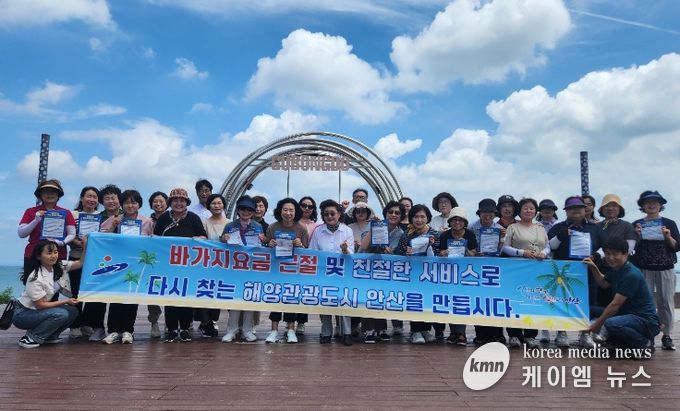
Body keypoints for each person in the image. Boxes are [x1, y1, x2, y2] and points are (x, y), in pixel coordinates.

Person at [548, 195, 605, 348]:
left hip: (588, 271)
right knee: (562, 301)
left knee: (588, 302)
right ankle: (561, 333)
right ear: (566, 211)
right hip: (563, 273)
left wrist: (597, 255)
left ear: (585, 210)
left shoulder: (594, 227)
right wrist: (560, 236)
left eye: (579, 208)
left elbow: (605, 246)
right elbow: (550, 247)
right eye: (571, 208)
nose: (575, 211)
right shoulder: (558, 227)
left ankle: (585, 333)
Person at [584, 238, 660, 350]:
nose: (610, 258)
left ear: (625, 254)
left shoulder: (631, 274)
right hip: (626, 314)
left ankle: (645, 343)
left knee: (611, 323)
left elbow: (615, 305)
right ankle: (619, 342)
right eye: (607, 254)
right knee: (586, 310)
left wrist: (597, 325)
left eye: (615, 254)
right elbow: (604, 283)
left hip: (645, 321)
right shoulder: (616, 269)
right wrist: (593, 267)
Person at [100, 189, 154, 344]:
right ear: (122, 204)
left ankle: (128, 331)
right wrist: (113, 226)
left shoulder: (147, 222)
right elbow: (101, 238)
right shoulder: (115, 219)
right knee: (115, 296)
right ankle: (113, 331)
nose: (130, 206)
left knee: (132, 296)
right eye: (127, 203)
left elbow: (152, 241)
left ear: (139, 204)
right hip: (117, 263)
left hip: (136, 264)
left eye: (134, 202)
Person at [155, 188, 208, 342]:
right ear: (170, 203)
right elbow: (156, 237)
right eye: (175, 201)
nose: (179, 203)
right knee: (170, 295)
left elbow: (203, 235)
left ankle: (185, 328)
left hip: (188, 265)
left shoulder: (193, 218)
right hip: (169, 265)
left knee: (186, 296)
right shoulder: (164, 218)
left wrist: (200, 238)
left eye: (182, 201)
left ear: (187, 203)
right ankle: (171, 329)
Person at [13, 240, 84, 348]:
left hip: (37, 311)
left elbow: (80, 263)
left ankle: (49, 336)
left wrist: (86, 246)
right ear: (39, 256)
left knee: (72, 311)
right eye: (49, 253)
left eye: (55, 252)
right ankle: (31, 338)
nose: (53, 256)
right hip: (23, 314)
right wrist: (65, 301)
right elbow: (40, 305)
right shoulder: (35, 277)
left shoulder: (59, 266)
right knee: (61, 313)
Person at [632, 190, 679, 350]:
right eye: (647, 202)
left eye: (655, 202)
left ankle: (667, 335)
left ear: (660, 205)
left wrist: (668, 236)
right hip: (644, 268)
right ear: (643, 206)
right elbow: (632, 248)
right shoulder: (637, 224)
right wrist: (637, 236)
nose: (651, 205)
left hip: (666, 267)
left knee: (666, 301)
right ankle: (648, 335)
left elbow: (676, 246)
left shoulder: (669, 223)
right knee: (646, 303)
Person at [501, 198, 549, 348]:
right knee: (515, 301)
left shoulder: (540, 228)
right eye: (525, 208)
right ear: (519, 211)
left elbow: (547, 246)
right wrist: (521, 252)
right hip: (517, 270)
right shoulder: (513, 227)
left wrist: (544, 253)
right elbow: (505, 247)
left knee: (533, 300)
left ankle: (530, 335)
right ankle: (514, 335)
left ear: (536, 211)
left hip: (536, 271)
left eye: (531, 208)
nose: (529, 211)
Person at [264, 198, 309, 344]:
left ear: (296, 212)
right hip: (276, 270)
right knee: (276, 298)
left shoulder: (301, 228)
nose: (288, 213)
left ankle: (291, 330)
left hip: (294, 271)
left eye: (291, 210)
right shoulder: (272, 227)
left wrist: (300, 245)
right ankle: (273, 331)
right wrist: (270, 244)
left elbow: (308, 251)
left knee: (291, 299)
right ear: (280, 211)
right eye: (285, 210)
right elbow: (265, 247)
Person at [309, 199, 355, 345]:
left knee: (344, 301)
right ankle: (326, 332)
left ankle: (346, 333)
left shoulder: (347, 231)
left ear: (339, 214)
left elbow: (352, 255)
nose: (329, 216)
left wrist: (345, 250)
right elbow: (312, 252)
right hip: (323, 274)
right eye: (326, 214)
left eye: (332, 213)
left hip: (342, 273)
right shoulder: (318, 231)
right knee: (325, 302)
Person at [81, 183, 123, 342]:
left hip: (122, 261)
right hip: (100, 260)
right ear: (102, 201)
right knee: (98, 294)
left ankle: (117, 329)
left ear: (119, 200)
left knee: (118, 295)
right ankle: (97, 327)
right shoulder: (96, 217)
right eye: (107, 198)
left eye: (114, 198)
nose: (111, 201)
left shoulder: (128, 216)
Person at [359, 200, 406, 342]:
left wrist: (390, 252)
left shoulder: (401, 233)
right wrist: (374, 228)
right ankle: (368, 330)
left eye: (397, 213)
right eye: (390, 212)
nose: (393, 215)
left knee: (381, 297)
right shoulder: (374, 225)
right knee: (368, 297)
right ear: (385, 213)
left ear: (401, 216)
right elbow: (364, 246)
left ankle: (381, 329)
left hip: (386, 270)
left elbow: (397, 254)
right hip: (368, 267)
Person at [220, 195, 264, 343]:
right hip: (234, 268)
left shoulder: (258, 227)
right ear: (238, 210)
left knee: (249, 299)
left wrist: (263, 240)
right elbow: (221, 244)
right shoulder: (230, 226)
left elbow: (262, 247)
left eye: (249, 210)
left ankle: (247, 330)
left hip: (251, 268)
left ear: (253, 212)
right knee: (235, 299)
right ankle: (231, 330)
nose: (246, 212)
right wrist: (223, 238)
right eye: (243, 209)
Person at [394, 204, 440, 344]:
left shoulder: (435, 234)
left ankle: (425, 329)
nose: (419, 220)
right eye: (415, 217)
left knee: (427, 301)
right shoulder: (406, 234)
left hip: (429, 275)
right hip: (412, 275)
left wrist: (432, 246)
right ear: (411, 218)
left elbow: (441, 254)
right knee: (415, 301)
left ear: (427, 218)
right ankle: (415, 331)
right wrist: (406, 254)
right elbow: (398, 254)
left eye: (422, 217)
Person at [434, 207, 477, 346]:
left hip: (465, 273)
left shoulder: (470, 234)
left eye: (460, 220)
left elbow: (474, 254)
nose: (457, 222)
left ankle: (461, 333)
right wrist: (443, 253)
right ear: (450, 221)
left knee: (461, 302)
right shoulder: (445, 235)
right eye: (454, 220)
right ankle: (453, 333)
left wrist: (465, 249)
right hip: (449, 273)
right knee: (451, 301)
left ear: (465, 222)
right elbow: (440, 253)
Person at [18, 179, 76, 279]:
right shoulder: (31, 211)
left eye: (53, 191)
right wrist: (35, 220)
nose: (49, 194)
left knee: (56, 285)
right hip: (33, 254)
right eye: (46, 191)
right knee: (32, 283)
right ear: (40, 195)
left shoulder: (66, 212)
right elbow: (21, 233)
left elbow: (72, 233)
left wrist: (61, 243)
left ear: (58, 195)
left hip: (57, 255)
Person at [468, 198, 505, 344]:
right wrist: (474, 253)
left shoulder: (499, 229)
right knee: (479, 301)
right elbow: (466, 248)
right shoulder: (471, 228)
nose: (487, 215)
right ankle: (481, 334)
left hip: (494, 270)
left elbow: (502, 251)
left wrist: (502, 238)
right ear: (479, 213)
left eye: (491, 212)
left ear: (495, 214)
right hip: (476, 269)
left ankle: (498, 334)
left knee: (495, 301)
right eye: (484, 212)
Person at [67, 186, 99, 339]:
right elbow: (67, 235)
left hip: (95, 260)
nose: (91, 199)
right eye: (89, 196)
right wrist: (80, 243)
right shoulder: (73, 214)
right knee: (76, 292)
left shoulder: (101, 216)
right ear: (81, 198)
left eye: (94, 197)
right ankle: (74, 325)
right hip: (76, 256)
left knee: (93, 292)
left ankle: (87, 323)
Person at [146, 190, 168, 337]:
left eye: (161, 201)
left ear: (167, 204)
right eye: (155, 201)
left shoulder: (174, 219)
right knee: (152, 292)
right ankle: (154, 322)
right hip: (152, 261)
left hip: (169, 261)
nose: (158, 204)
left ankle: (171, 323)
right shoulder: (147, 222)